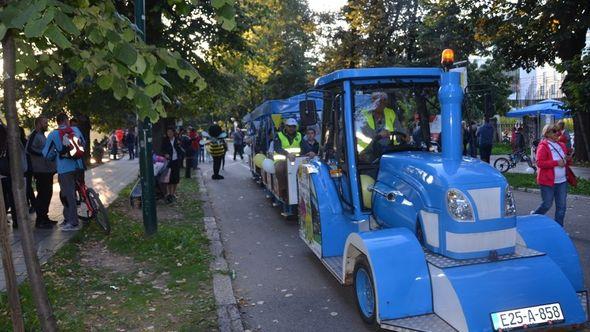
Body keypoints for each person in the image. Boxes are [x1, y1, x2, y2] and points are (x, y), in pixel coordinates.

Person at [42, 113, 85, 231]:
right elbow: (83, 144)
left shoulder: (53, 134)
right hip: (79, 165)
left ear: (57, 122)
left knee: (68, 195)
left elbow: (46, 153)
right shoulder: (75, 129)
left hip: (65, 169)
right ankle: (86, 204)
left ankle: (73, 222)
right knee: (78, 189)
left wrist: (55, 155)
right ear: (67, 120)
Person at [531, 124, 572, 226]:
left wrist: (568, 158)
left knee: (561, 207)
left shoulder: (561, 145)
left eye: (557, 131)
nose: (557, 133)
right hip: (548, 181)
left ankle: (559, 228)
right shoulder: (543, 146)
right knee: (547, 204)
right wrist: (556, 163)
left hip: (562, 181)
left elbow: (565, 161)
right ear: (547, 133)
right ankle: (534, 217)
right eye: (554, 131)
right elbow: (539, 163)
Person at [356, 92, 408, 162]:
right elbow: (365, 134)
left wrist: (405, 135)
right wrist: (380, 135)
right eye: (378, 100)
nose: (381, 103)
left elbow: (399, 131)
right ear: (372, 101)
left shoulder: (390, 113)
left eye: (384, 100)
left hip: (390, 152)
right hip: (367, 154)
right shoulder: (363, 115)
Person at [26, 116, 57, 229]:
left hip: (48, 171)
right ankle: (40, 221)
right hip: (41, 171)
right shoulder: (34, 135)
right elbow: (28, 149)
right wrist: (43, 153)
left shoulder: (42, 135)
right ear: (38, 124)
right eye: (45, 123)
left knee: (47, 194)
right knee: (42, 195)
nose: (47, 124)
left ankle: (45, 217)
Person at [0, 124, 18, 228]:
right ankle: (15, 220)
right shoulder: (8, 144)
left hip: (3, 174)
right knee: (12, 198)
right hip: (9, 174)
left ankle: (3, 220)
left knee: (4, 199)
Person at [161, 127, 184, 203]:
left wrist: (180, 148)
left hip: (176, 160)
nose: (169, 133)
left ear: (173, 132)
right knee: (168, 178)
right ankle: (168, 194)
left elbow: (181, 148)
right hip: (168, 161)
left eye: (170, 132)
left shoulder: (177, 139)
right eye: (168, 132)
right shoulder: (165, 140)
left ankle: (173, 193)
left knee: (175, 178)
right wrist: (165, 154)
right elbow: (162, 149)